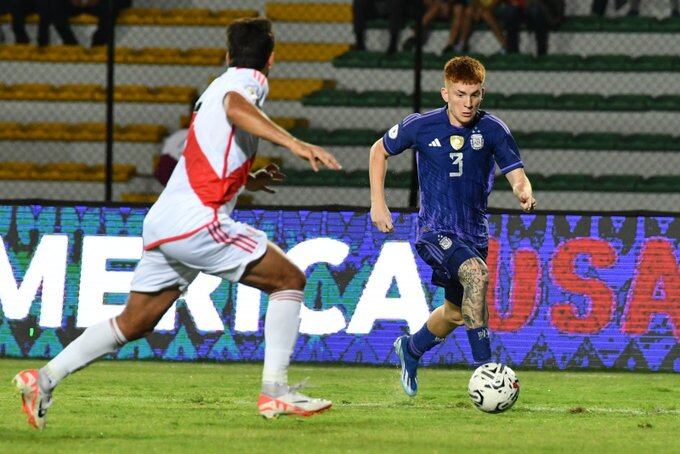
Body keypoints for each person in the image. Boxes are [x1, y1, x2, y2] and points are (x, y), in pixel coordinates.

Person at [14, 17, 341, 430]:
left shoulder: (216, 85)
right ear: (271, 59)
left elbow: (212, 150)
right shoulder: (248, 82)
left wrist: (251, 178)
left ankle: (43, 379)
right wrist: (295, 143)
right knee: (289, 279)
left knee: (134, 322)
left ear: (226, 55)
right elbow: (236, 109)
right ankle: (275, 390)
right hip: (197, 220)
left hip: (165, 220)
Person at [368, 56, 536, 396]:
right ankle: (487, 373)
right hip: (435, 231)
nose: (467, 103)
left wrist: (523, 191)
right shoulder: (422, 126)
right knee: (476, 274)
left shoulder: (493, 130)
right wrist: (378, 202)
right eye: (460, 94)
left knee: (456, 313)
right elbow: (378, 151)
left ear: (482, 93)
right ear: (445, 93)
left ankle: (411, 349)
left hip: (473, 233)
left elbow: (517, 175)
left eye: (474, 95)